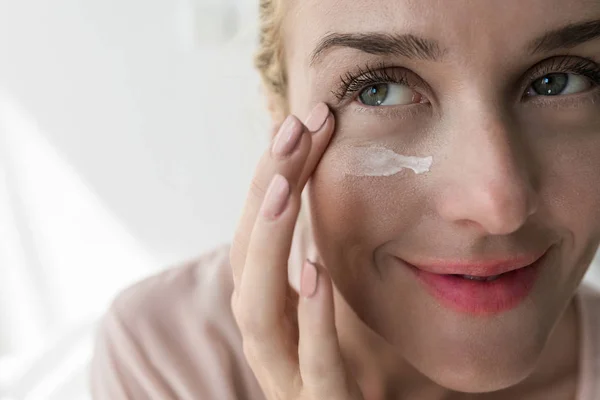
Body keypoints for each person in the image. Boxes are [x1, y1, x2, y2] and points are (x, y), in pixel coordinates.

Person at [90, 0, 600, 398]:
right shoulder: (166, 362)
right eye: (378, 91)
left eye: (558, 82)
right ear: (279, 111)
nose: (497, 206)